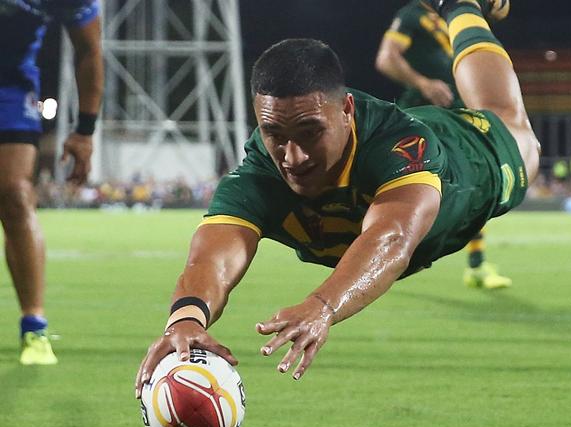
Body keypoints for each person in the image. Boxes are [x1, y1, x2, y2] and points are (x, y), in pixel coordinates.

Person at [135, 0, 539, 395]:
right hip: (413, 138)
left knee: (504, 115)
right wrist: (185, 321)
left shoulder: (400, 146)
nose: (293, 157)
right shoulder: (259, 173)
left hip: (472, 156)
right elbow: (211, 259)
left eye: (310, 132)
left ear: (346, 110)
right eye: (275, 134)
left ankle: (460, 5)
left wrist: (323, 306)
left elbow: (392, 237)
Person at [376, 0, 512, 289]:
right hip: (419, 118)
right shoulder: (413, 15)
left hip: (456, 115)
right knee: (396, 189)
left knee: (477, 185)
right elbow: (387, 58)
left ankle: (476, 264)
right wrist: (423, 83)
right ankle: (378, 253)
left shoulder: (456, 13)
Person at [0, 1, 104, 365]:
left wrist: (84, 131)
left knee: (15, 193)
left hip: (8, 85)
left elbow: (88, 49)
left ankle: (34, 327)